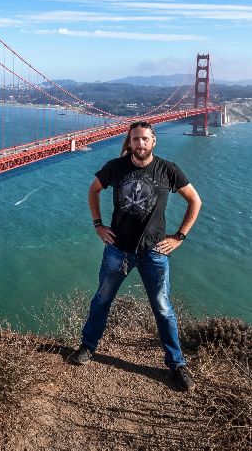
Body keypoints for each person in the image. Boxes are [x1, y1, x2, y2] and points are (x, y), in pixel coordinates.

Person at [67, 120, 202, 392]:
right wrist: (98, 225)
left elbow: (195, 201)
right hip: (118, 249)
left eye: (144, 139)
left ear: (154, 141)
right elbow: (93, 190)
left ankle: (176, 364)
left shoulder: (168, 169)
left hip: (154, 252)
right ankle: (88, 347)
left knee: (163, 309)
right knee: (102, 299)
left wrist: (179, 237)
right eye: (135, 139)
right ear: (129, 142)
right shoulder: (115, 167)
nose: (140, 144)